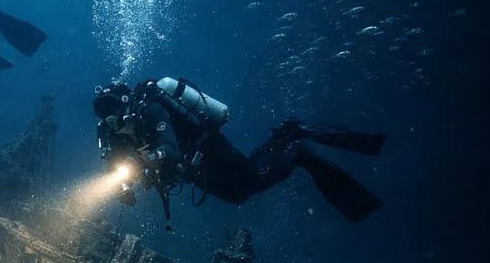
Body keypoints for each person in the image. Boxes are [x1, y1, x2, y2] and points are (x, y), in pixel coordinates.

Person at [92, 78, 384, 225]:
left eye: (113, 111)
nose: (110, 121)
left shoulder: (152, 111)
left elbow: (169, 147)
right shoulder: (118, 137)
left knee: (254, 179)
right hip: (196, 172)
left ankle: (294, 145)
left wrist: (151, 160)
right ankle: (280, 139)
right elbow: (115, 169)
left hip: (211, 152)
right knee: (240, 195)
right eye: (104, 115)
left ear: (127, 104)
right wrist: (122, 186)